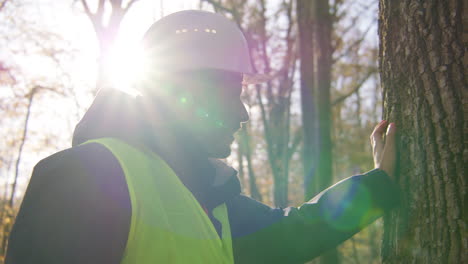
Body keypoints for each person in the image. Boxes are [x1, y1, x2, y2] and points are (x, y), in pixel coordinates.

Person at [5, 10, 399, 264]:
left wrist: (380, 183)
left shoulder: (213, 202)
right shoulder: (84, 175)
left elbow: (299, 229)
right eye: (232, 95)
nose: (243, 113)